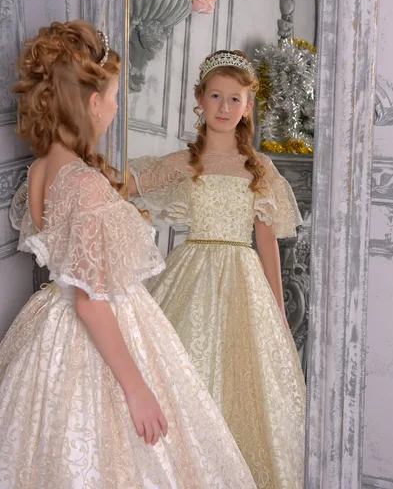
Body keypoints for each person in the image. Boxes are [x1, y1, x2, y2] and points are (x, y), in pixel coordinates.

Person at [0, 24, 257, 489]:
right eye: (115, 97)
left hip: (48, 327)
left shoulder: (42, 169)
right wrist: (136, 390)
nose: (118, 107)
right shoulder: (82, 181)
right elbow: (90, 302)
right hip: (97, 325)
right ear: (91, 104)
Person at [129, 50, 306, 489]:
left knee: (248, 382)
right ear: (200, 100)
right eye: (216, 96)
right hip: (192, 271)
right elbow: (131, 186)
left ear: (248, 106)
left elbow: (266, 241)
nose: (224, 108)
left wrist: (280, 311)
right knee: (185, 367)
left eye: (235, 99)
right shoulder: (185, 161)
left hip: (243, 278)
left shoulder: (259, 167)